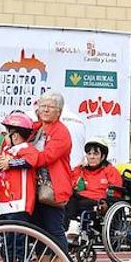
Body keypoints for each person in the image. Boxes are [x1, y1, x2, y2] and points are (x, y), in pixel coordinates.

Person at [28, 92, 74, 251]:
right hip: (34, 188)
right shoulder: (36, 128)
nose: (45, 110)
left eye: (50, 107)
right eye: (42, 106)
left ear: (59, 111)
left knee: (54, 229)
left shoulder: (61, 132)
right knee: (40, 231)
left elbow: (44, 158)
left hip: (53, 189)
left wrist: (23, 152)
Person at [0, 112, 40, 221]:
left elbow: (30, 161)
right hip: (5, 203)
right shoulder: (7, 150)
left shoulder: (27, 148)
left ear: (15, 136)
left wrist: (10, 163)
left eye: (6, 133)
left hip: (19, 205)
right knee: (6, 236)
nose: (4, 136)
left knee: (18, 236)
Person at [67, 138, 123, 228]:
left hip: (99, 201)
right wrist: (79, 167)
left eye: (96, 154)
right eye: (89, 154)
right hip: (80, 198)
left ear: (103, 156)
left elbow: (116, 191)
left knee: (75, 202)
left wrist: (107, 203)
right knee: (67, 199)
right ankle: (69, 227)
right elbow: (71, 183)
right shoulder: (81, 170)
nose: (92, 157)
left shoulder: (110, 170)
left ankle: (71, 226)